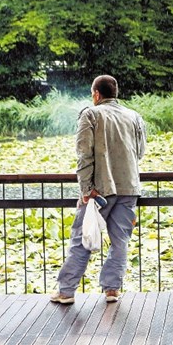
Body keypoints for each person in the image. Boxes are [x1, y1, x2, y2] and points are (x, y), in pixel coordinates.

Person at [50, 75, 146, 304]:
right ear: (116, 93)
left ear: (96, 94)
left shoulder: (90, 114)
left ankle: (66, 291)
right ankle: (112, 289)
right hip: (129, 187)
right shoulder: (134, 117)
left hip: (99, 191)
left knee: (83, 237)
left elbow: (84, 154)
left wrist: (86, 189)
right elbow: (139, 152)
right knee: (120, 240)